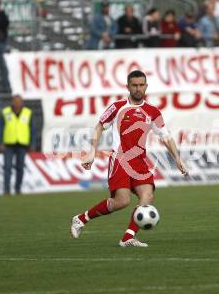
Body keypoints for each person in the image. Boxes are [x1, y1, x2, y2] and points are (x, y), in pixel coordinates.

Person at [70, 70, 188, 247]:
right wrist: (92, 151)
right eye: (134, 85)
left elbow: (166, 136)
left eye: (141, 85)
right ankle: (81, 218)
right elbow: (100, 126)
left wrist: (178, 159)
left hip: (139, 161)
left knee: (147, 195)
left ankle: (128, 237)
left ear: (146, 86)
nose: (138, 89)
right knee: (122, 201)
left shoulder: (152, 111)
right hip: (120, 160)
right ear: (128, 87)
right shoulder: (117, 107)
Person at [0, 95, 36, 195]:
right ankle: (6, 190)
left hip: (22, 144)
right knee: (7, 167)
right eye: (15, 101)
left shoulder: (28, 113)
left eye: (19, 101)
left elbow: (32, 129)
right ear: (12, 102)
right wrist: (0, 142)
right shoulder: (5, 112)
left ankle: (18, 189)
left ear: (22, 102)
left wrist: (33, 143)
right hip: (8, 144)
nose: (17, 103)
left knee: (20, 168)